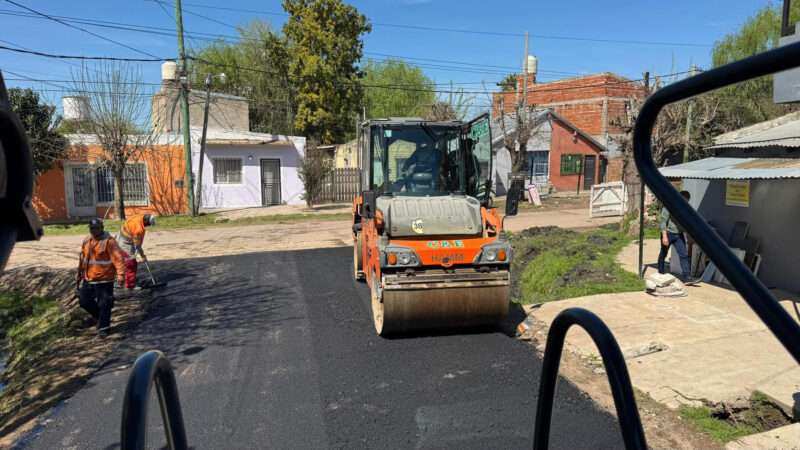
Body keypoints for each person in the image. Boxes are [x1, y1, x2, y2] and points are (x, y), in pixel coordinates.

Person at [77, 218, 126, 337]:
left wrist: (121, 275)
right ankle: (100, 317)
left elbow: (118, 259)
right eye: (92, 228)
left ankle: (104, 328)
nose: (94, 231)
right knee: (84, 301)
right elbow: (82, 258)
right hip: (88, 278)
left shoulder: (109, 242)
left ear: (102, 228)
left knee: (105, 303)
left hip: (104, 279)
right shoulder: (87, 240)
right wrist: (79, 273)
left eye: (96, 228)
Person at [658, 191, 692, 282]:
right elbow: (663, 221)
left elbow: (686, 224)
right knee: (663, 253)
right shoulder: (669, 206)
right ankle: (660, 272)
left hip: (679, 235)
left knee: (683, 255)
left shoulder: (686, 209)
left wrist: (688, 236)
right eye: (683, 200)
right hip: (668, 233)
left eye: (687, 201)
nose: (685, 203)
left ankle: (687, 277)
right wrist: (664, 236)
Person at [118, 213, 156, 289]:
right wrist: (143, 256)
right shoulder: (138, 229)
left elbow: (137, 243)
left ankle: (127, 278)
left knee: (127, 262)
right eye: (148, 224)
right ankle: (130, 285)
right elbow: (138, 246)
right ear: (146, 222)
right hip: (125, 243)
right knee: (131, 263)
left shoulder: (141, 217)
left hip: (125, 236)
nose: (148, 226)